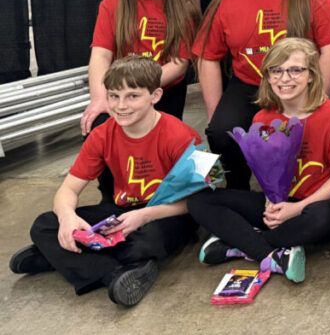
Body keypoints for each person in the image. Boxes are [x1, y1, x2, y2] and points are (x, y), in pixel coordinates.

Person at [9, 56, 200, 307]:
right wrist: (67, 216)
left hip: (165, 214)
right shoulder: (101, 134)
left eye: (133, 96)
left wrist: (145, 216)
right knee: (44, 224)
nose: (121, 106)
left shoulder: (184, 136)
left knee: (144, 243)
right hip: (121, 211)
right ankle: (113, 274)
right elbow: (68, 189)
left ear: (155, 96)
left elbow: (201, 200)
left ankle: (59, 257)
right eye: (113, 96)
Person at [194, 0, 330, 190]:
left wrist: (318, 95)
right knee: (221, 132)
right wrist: (214, 113)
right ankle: (238, 190)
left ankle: (302, 193)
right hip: (249, 85)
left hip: (297, 86)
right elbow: (208, 57)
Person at [188, 38, 330, 283]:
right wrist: (270, 205)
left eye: (295, 70)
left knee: (326, 219)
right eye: (277, 71)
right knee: (200, 200)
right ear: (268, 77)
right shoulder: (262, 119)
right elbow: (266, 175)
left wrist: (296, 208)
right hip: (278, 203)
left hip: (314, 205)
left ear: (311, 75)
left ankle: (240, 244)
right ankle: (271, 254)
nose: (285, 78)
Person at [83, 0, 200, 134]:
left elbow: (179, 64)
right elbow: (100, 55)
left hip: (163, 92)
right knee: (98, 129)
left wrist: (138, 91)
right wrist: (101, 99)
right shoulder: (111, 5)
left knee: (159, 146)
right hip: (119, 92)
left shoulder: (183, 7)